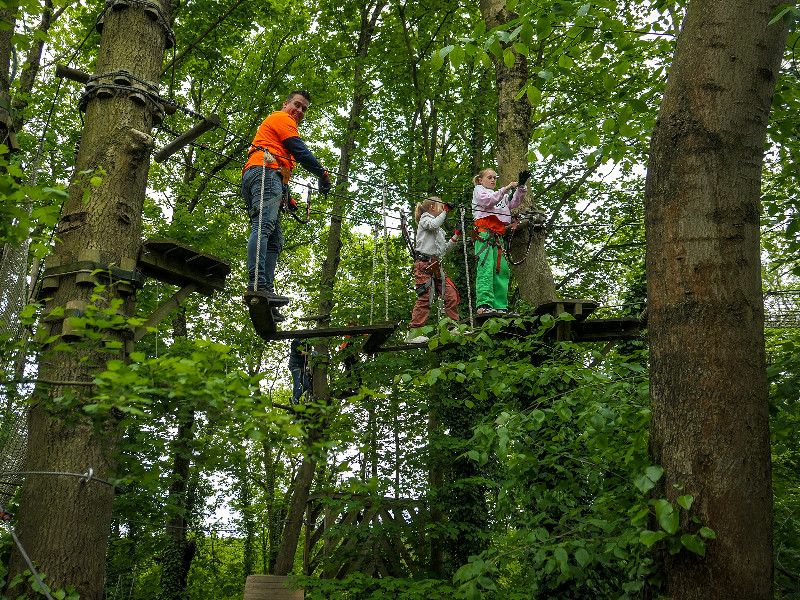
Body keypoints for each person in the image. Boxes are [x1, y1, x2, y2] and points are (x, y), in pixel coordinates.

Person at [243, 90, 332, 322]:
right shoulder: (282, 119)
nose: (299, 111)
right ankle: (257, 284)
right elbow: (299, 150)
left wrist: (287, 197)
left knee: (274, 239)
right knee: (263, 226)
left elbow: (281, 162)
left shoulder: (278, 131)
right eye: (297, 105)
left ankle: (267, 294)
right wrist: (322, 174)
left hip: (268, 176)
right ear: (286, 104)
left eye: (304, 109)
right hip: (264, 172)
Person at [471, 168, 527, 315]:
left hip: (497, 237)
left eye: (495, 177)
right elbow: (487, 201)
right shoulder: (479, 191)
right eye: (489, 177)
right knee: (486, 268)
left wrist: (521, 186)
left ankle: (500, 305)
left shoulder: (501, 195)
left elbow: (513, 202)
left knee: (502, 270)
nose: (493, 180)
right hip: (484, 235)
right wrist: (506, 188)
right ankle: (484, 304)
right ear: (480, 180)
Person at [406, 197, 462, 343]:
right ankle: (414, 333)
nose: (443, 209)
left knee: (451, 295)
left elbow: (443, 250)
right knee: (426, 297)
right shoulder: (426, 219)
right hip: (423, 265)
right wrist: (445, 212)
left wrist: (456, 235)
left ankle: (453, 327)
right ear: (432, 207)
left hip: (436, 265)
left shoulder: (438, 229)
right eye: (441, 207)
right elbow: (433, 224)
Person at [288, 338, 310, 404]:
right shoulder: (296, 342)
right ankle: (295, 401)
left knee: (306, 384)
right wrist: (310, 353)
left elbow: (306, 357)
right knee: (297, 384)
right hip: (295, 366)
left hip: (301, 367)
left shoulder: (307, 345)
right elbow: (299, 352)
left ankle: (295, 398)